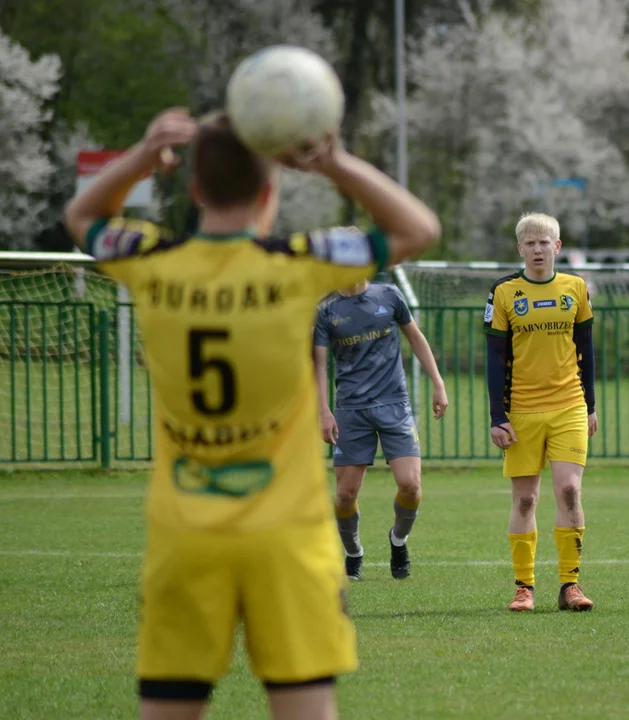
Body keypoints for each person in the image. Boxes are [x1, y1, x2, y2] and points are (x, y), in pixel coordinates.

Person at [62, 107, 440, 720]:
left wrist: (142, 151)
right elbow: (418, 227)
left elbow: (81, 217)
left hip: (187, 536)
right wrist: (332, 162)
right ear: (271, 188)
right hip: (286, 539)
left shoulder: (155, 262)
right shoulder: (297, 264)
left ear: (192, 189)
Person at [483, 212, 598, 613]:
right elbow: (495, 359)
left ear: (557, 246)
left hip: (569, 406)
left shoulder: (576, 288)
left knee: (569, 490)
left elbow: (586, 349)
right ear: (520, 248)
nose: (537, 249)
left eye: (544, 242)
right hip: (521, 412)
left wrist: (591, 406)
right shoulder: (503, 293)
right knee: (526, 499)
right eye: (529, 243)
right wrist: (498, 416)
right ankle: (524, 588)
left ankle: (570, 585)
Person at [313, 275, 448, 581]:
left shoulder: (389, 295)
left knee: (411, 486)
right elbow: (318, 364)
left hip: (394, 404)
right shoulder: (326, 310)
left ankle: (398, 541)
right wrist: (324, 411)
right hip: (350, 410)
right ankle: (353, 553)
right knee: (345, 495)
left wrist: (438, 383)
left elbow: (415, 337)